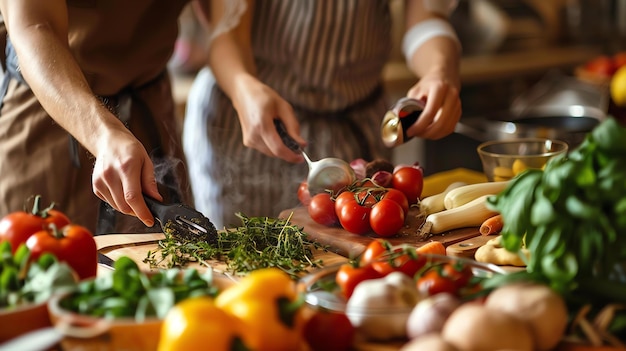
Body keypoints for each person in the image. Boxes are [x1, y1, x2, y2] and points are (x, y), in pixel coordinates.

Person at [183, 0, 463, 229]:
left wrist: (439, 71)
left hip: (352, 122)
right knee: (240, 267)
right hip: (248, 117)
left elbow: (427, 17)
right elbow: (226, 32)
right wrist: (243, 88)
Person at [0, 1, 211, 234]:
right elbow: (35, 26)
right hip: (50, 110)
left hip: (149, 107)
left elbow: (225, 17)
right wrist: (103, 134)